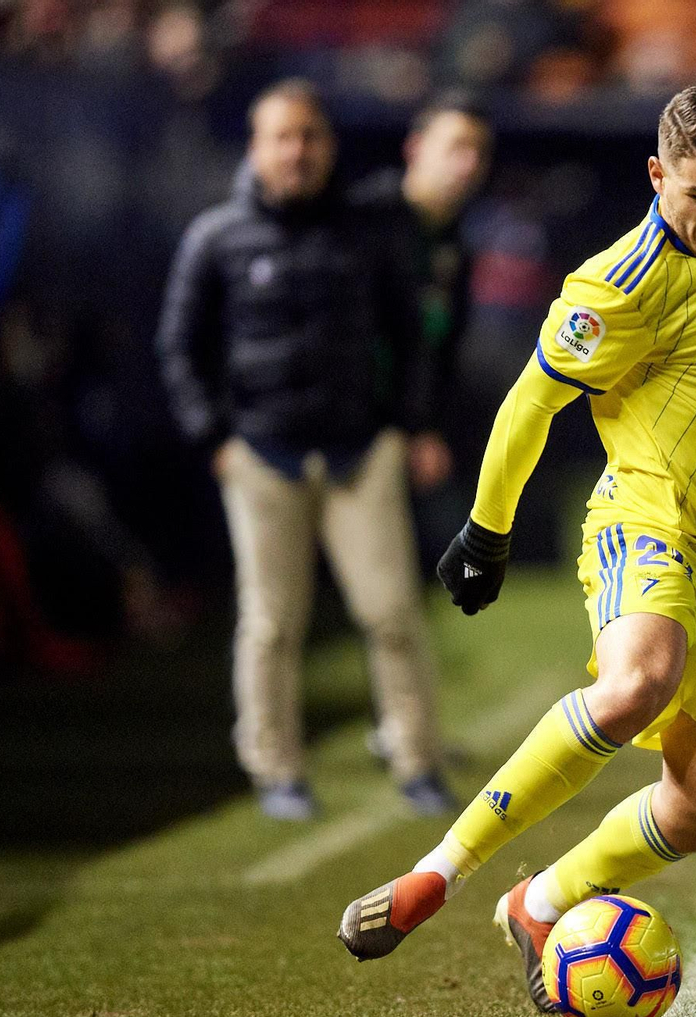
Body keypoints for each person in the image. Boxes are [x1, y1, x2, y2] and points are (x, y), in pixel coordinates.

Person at [336, 89, 696, 1016]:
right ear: (657, 175)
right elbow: (529, 406)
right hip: (652, 520)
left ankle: (540, 904)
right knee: (636, 682)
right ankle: (436, 876)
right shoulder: (615, 288)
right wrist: (485, 533)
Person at [156, 80, 454, 821]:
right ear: (256, 148)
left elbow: (410, 337)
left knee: (391, 614)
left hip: (359, 451)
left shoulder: (367, 234)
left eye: (310, 137)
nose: (297, 151)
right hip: (261, 455)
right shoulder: (216, 238)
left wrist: (407, 426)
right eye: (282, 137)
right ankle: (275, 768)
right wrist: (215, 438)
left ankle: (418, 760)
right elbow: (178, 347)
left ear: (328, 146)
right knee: (271, 622)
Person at [351, 90, 495, 760]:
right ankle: (404, 731)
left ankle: (406, 728)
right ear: (416, 149)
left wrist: (423, 426)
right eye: (454, 147)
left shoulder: (452, 245)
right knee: (374, 591)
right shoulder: (370, 222)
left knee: (403, 583)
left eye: (477, 152)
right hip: (349, 429)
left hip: (396, 432)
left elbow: (438, 348)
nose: (467, 164)